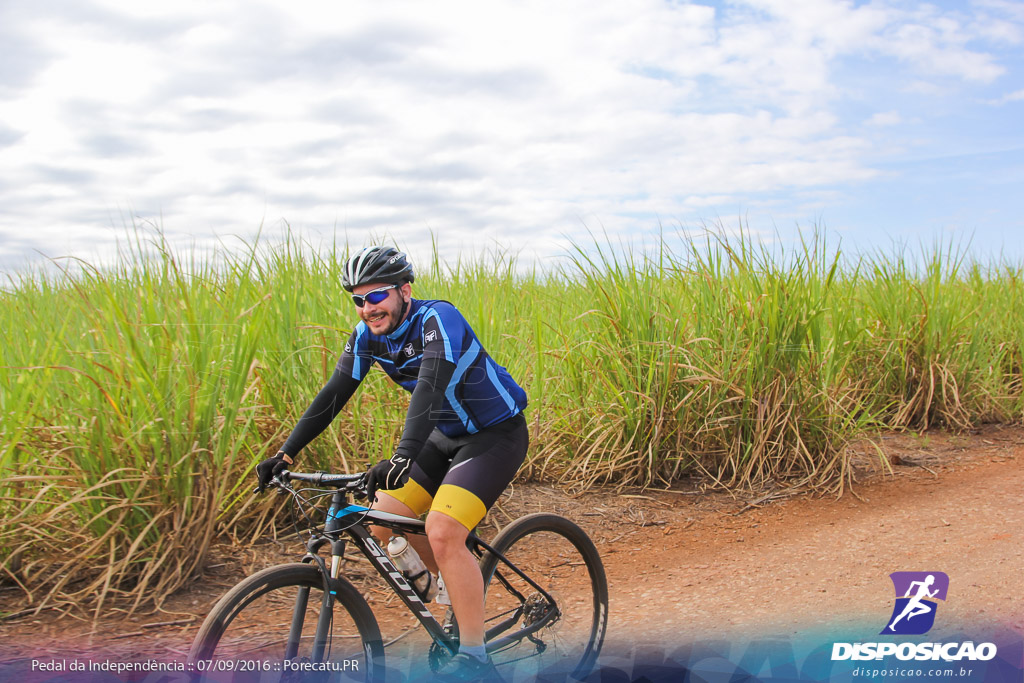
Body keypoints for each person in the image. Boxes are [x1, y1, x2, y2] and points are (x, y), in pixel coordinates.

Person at [256, 245, 529, 680]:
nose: (368, 308)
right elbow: (332, 396)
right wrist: (285, 453)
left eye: (377, 296)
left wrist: (401, 456)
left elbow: (430, 387)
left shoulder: (438, 319)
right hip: (443, 437)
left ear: (404, 290)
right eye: (358, 300)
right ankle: (448, 579)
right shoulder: (367, 336)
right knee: (380, 523)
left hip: (495, 434)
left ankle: (476, 658)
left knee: (442, 529)